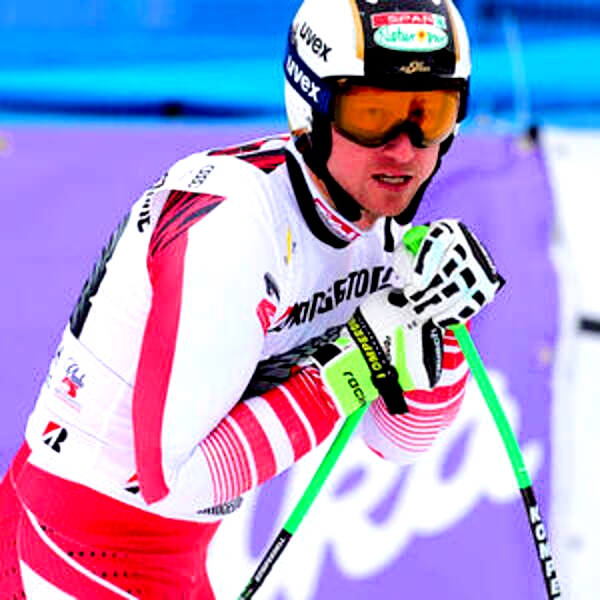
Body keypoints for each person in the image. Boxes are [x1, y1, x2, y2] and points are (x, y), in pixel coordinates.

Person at [0, 0, 504, 598]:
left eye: (429, 114)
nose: (404, 148)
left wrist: (435, 326)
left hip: (165, 555)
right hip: (76, 544)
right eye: (373, 115)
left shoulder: (377, 227)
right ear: (311, 108)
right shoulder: (235, 225)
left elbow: (395, 442)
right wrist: (349, 369)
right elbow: (168, 482)